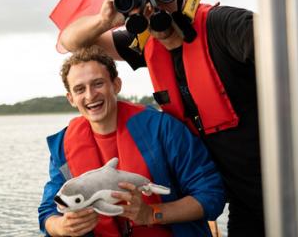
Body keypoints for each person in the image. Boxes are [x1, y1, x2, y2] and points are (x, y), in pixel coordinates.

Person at [59, 0, 263, 236]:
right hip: (244, 201)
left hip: (294, 182)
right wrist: (107, 18)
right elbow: (71, 41)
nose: (154, 7)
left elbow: (294, 46)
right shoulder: (145, 45)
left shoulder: (225, 25)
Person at [38, 47, 225, 236]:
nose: (90, 95)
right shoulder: (63, 146)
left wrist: (152, 214)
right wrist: (62, 226)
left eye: (98, 84)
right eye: (79, 89)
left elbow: (211, 194)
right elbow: (48, 212)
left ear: (116, 85)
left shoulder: (164, 128)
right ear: (71, 98)